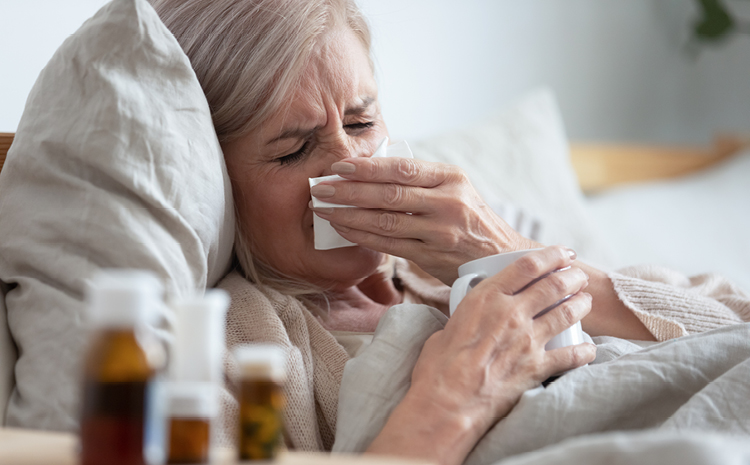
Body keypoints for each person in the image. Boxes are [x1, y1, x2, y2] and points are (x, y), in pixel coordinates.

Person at [152, 1, 750, 464]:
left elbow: (732, 329)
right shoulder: (237, 345)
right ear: (220, 180)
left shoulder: (499, 234)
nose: (349, 164)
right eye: (293, 150)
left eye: (361, 121)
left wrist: (511, 253)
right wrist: (454, 399)